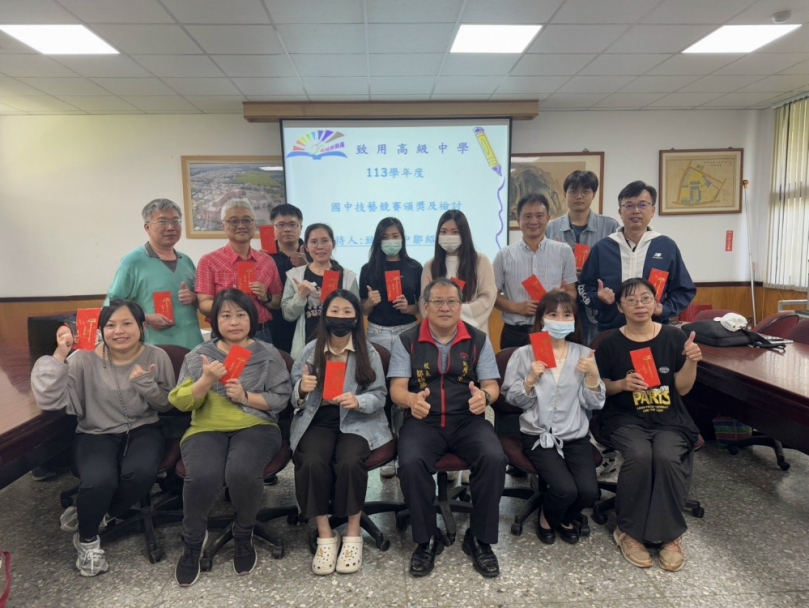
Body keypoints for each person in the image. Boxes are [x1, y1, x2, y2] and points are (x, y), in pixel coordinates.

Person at [31, 300, 175, 577]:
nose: (119, 331)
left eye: (127, 323)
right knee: (99, 480)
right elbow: (49, 399)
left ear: (142, 327)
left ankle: (97, 515)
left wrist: (146, 386)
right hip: (95, 431)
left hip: (143, 428)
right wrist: (61, 353)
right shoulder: (82, 359)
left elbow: (167, 404)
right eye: (111, 325)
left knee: (141, 472)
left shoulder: (156, 357)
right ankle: (88, 542)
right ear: (100, 330)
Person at [170, 289, 291, 587]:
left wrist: (247, 397)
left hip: (257, 425)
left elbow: (282, 397)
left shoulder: (268, 353)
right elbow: (180, 402)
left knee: (241, 472)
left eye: (240, 315)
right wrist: (206, 380)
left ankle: (243, 533)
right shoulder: (199, 354)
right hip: (206, 428)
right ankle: (193, 541)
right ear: (214, 320)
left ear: (252, 318)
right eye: (226, 316)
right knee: (202, 475)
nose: (234, 322)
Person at [389, 278, 507, 579]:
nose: (445, 307)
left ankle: (479, 538)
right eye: (438, 302)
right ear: (425, 306)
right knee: (411, 463)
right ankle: (427, 538)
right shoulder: (407, 340)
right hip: (424, 421)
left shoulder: (478, 339)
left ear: (460, 306)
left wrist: (485, 397)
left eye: (451, 302)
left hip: (467, 420)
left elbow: (492, 384)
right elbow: (397, 388)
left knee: (494, 458)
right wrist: (411, 400)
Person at [594, 278, 702, 572]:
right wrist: (621, 384)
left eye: (645, 299)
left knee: (666, 456)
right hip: (625, 417)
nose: (639, 305)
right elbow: (599, 387)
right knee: (640, 455)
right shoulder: (609, 342)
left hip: (669, 417)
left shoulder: (675, 337)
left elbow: (682, 389)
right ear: (620, 307)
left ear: (656, 304)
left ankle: (670, 536)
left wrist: (691, 362)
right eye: (631, 300)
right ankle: (628, 531)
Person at [289, 289, 391, 576]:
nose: (340, 317)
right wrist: (301, 389)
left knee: (349, 461)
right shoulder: (310, 351)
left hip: (357, 419)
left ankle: (353, 534)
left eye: (348, 312)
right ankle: (325, 534)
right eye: (335, 311)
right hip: (318, 418)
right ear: (324, 315)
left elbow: (380, 395)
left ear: (357, 317)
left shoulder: (368, 352)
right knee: (311, 461)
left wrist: (359, 400)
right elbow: (292, 395)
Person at [502, 291, 605, 545]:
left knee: (589, 492)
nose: (560, 320)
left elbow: (594, 403)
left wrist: (593, 376)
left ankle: (562, 517)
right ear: (541, 319)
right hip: (539, 434)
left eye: (566, 315)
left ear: (574, 320)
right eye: (553, 314)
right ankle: (548, 519)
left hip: (574, 435)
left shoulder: (585, 354)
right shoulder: (524, 354)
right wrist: (530, 380)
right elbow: (511, 399)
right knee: (565, 489)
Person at [578, 181, 696, 334]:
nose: (636, 211)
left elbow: (684, 290)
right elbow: (584, 287)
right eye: (629, 205)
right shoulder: (602, 248)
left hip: (655, 332)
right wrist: (598, 298)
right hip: (611, 331)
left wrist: (664, 309)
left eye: (643, 205)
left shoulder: (666, 247)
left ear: (652, 210)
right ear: (620, 212)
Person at [359, 217, 422, 478]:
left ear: (403, 238)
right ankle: (387, 449)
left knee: (408, 388)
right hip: (378, 333)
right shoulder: (369, 268)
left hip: (408, 332)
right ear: (378, 240)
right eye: (385, 237)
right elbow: (362, 310)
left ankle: (408, 445)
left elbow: (423, 306)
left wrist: (410, 308)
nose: (391, 241)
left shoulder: (415, 267)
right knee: (382, 391)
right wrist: (370, 303)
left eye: (395, 236)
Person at [107, 198, 203, 350]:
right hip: (154, 348)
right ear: (147, 227)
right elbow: (113, 304)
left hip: (193, 345)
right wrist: (146, 318)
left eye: (176, 221)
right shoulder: (133, 261)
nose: (170, 227)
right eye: (162, 221)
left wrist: (193, 298)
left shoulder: (186, 261)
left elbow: (202, 299)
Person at [494, 194, 578, 350]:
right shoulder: (503, 255)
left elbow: (572, 291)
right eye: (527, 216)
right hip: (515, 332)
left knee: (552, 367)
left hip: (552, 330)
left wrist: (559, 298)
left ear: (548, 218)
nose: (533, 221)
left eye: (539, 216)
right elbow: (493, 296)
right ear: (518, 220)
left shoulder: (564, 251)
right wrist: (517, 308)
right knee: (511, 366)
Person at [546, 171, 620, 346]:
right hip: (562, 297)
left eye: (585, 192)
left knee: (594, 348)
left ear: (593, 195)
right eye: (573, 191)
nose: (579, 196)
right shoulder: (551, 228)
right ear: (565, 195)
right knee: (561, 348)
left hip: (596, 299)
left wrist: (590, 271)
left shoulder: (610, 226)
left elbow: (616, 263)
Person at [196, 199, 284, 344]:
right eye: (234, 221)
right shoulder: (209, 261)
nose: (241, 226)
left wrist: (266, 297)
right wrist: (229, 302)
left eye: (247, 220)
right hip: (226, 334)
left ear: (254, 224)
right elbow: (203, 304)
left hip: (261, 332)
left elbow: (278, 301)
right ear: (223, 226)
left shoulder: (267, 261)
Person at [281, 223, 360, 359]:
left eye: (325, 241)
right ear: (306, 247)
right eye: (314, 242)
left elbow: (356, 315)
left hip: (340, 348)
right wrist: (300, 296)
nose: (320, 246)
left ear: (333, 244)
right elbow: (288, 315)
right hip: (306, 347)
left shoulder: (348, 276)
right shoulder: (295, 275)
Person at [421, 210, 497, 338]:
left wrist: (455, 311)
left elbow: (488, 297)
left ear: (464, 234)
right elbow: (424, 300)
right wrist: (444, 317)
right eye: (443, 232)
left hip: (474, 332)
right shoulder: (430, 265)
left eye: (455, 232)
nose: (448, 236)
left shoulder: (480, 261)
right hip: (440, 333)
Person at [264, 204, 309, 354]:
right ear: (273, 228)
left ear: (301, 227)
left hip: (306, 321)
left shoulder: (314, 253)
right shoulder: (264, 257)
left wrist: (307, 267)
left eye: (292, 224)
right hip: (275, 323)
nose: (287, 229)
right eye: (281, 225)